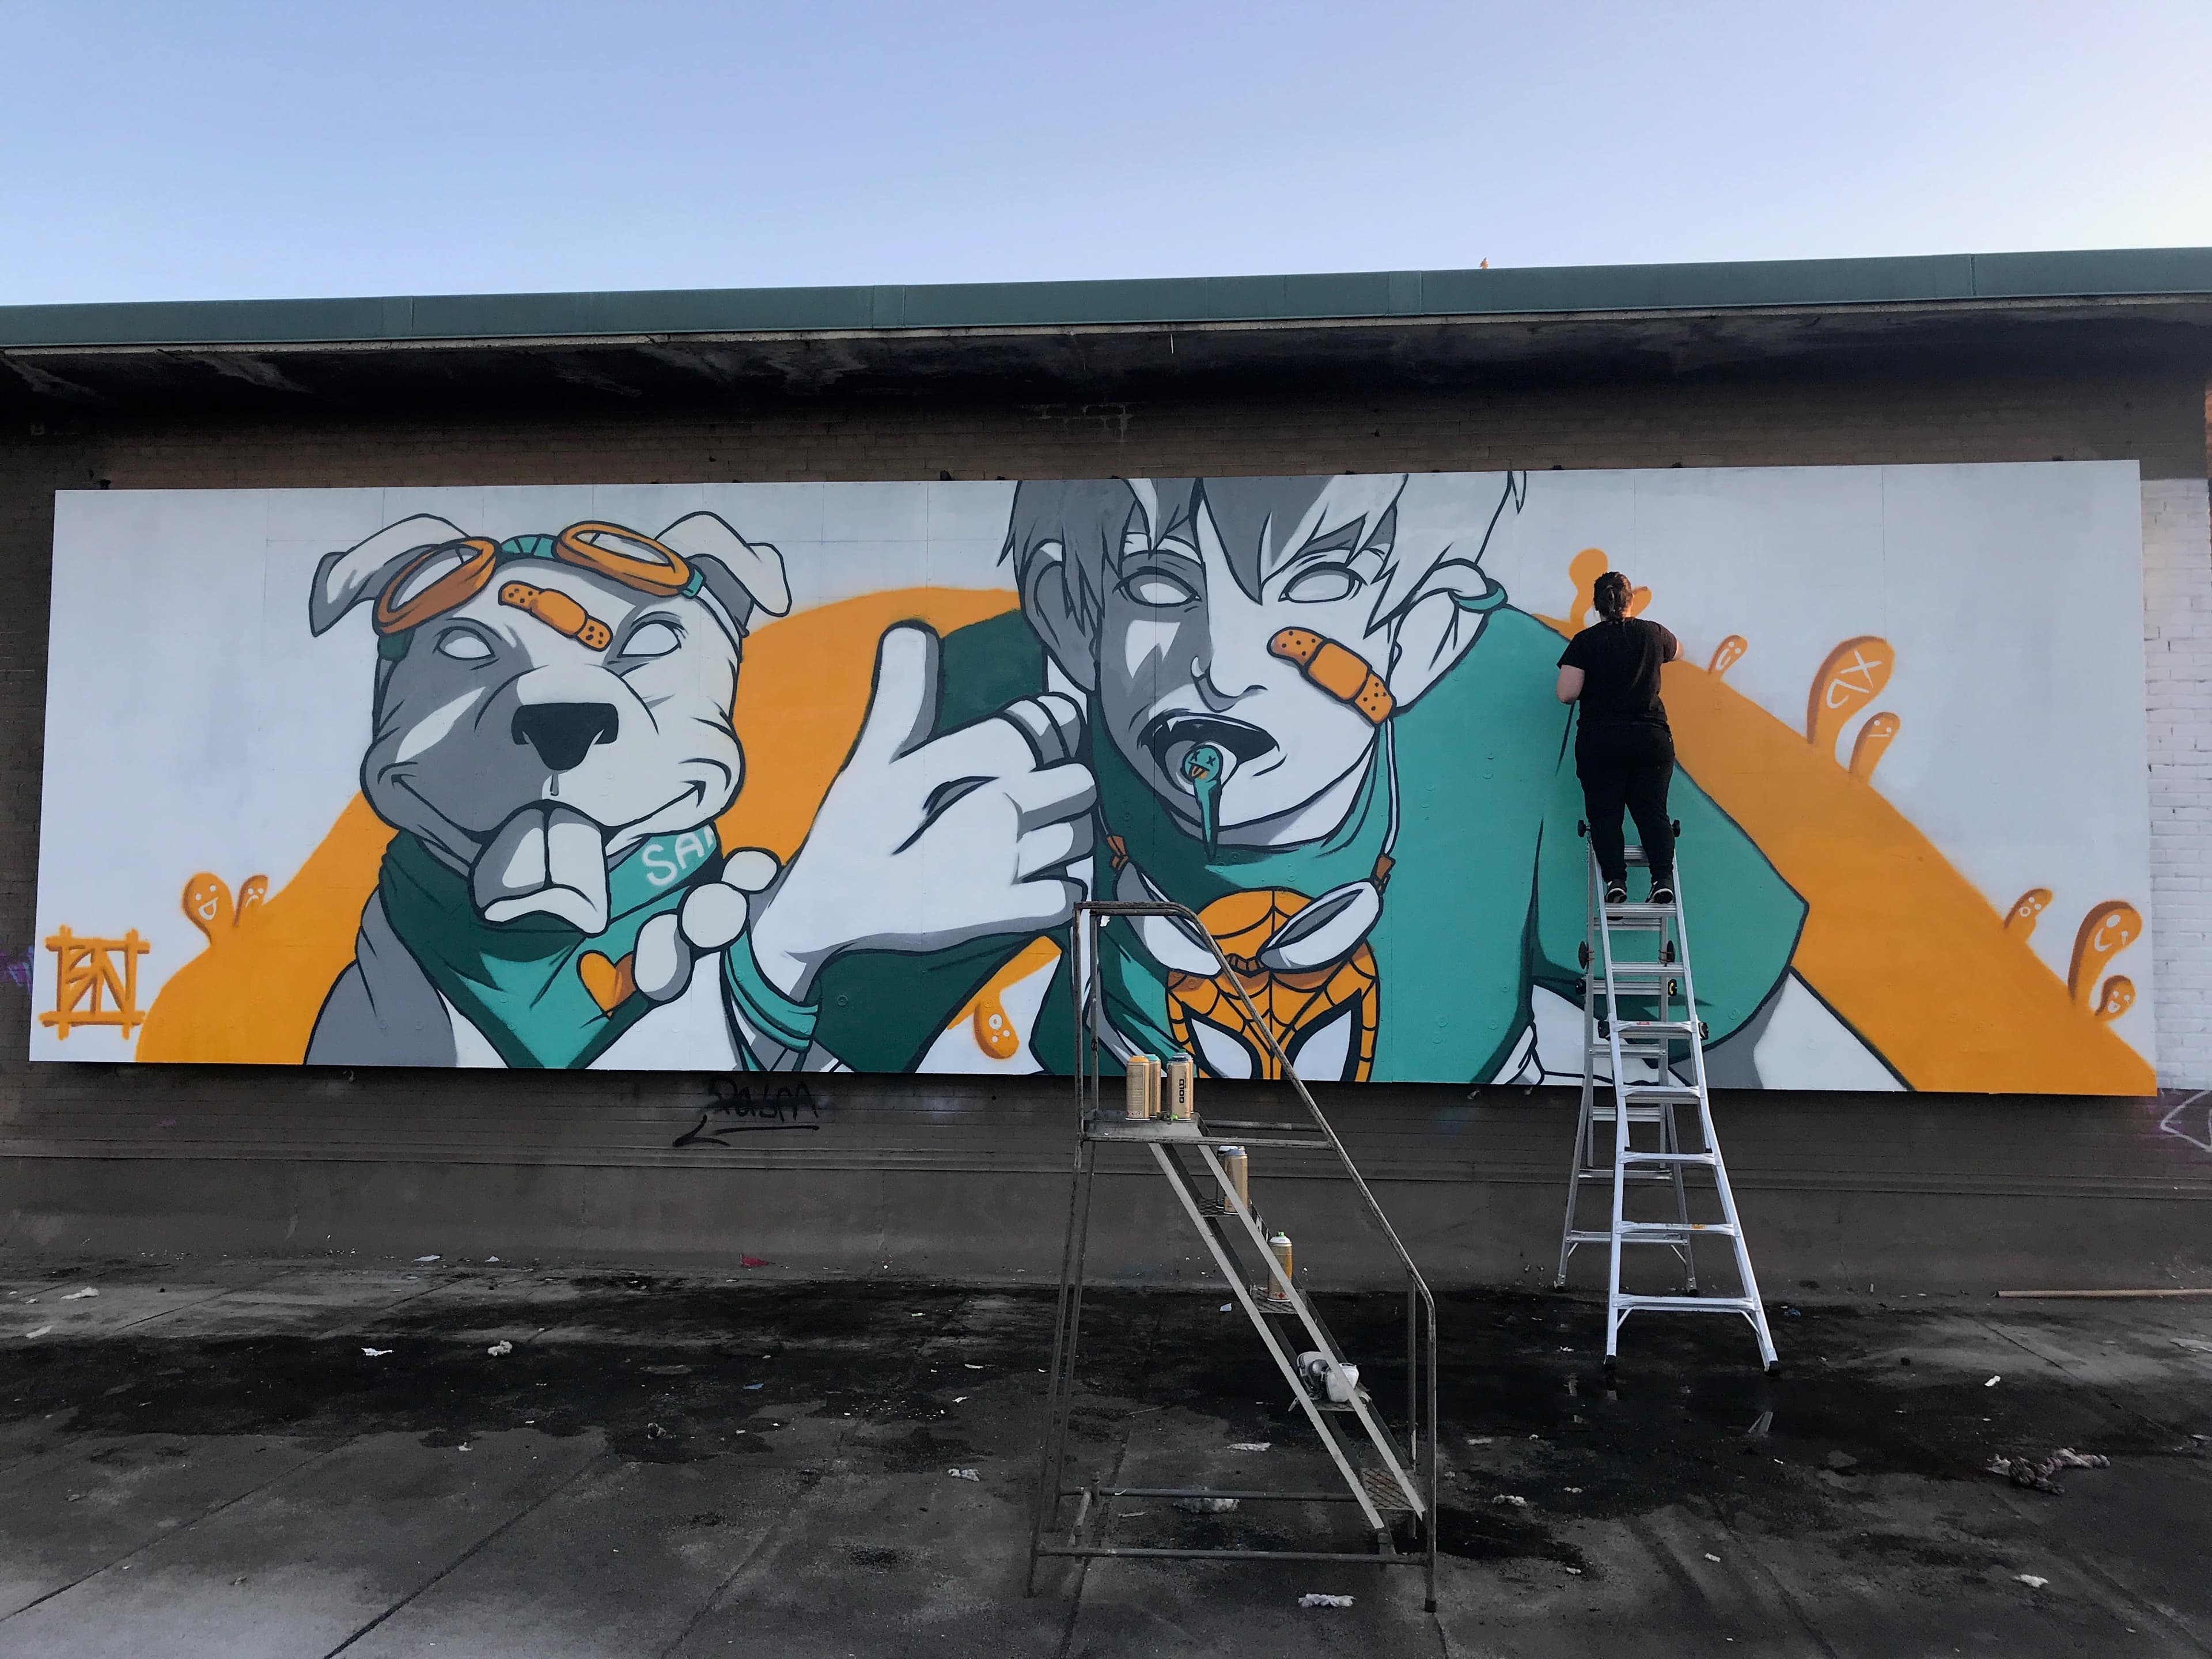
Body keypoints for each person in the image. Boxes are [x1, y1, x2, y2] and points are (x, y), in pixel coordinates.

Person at [1555, 570, 1679, 907]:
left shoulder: (1585, 642)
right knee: (1653, 812)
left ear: (1595, 605)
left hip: (1602, 740)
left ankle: (1615, 880)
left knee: (1605, 814)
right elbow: (1677, 650)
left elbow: (1566, 694)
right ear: (1630, 601)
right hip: (1651, 737)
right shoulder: (1653, 633)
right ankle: (1662, 878)